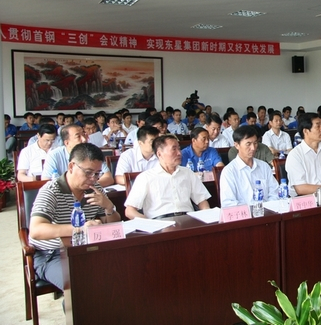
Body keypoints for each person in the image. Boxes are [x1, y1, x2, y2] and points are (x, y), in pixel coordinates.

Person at [29, 143, 121, 291]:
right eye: (88, 172)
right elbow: (36, 230)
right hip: (53, 254)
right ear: (71, 166)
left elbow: (111, 224)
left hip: (88, 249)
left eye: (97, 173)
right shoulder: (51, 190)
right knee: (80, 284)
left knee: (119, 272)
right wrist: (80, 228)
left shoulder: (95, 189)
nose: (93, 178)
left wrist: (109, 207)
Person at [124, 135, 211, 219]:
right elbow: (130, 211)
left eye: (179, 148)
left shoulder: (187, 173)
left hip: (188, 219)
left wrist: (207, 216)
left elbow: (202, 201)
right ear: (159, 154)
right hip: (159, 221)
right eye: (174, 149)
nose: (179, 153)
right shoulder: (145, 177)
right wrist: (149, 223)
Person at [220, 126, 279, 207]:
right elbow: (228, 203)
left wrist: (266, 208)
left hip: (267, 211)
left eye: (255, 143)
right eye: (248, 144)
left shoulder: (264, 166)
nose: (253, 148)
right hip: (244, 214)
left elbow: (275, 192)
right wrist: (252, 210)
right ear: (237, 145)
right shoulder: (229, 171)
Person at [285, 113, 321, 196]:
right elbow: (300, 189)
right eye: (318, 126)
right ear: (306, 131)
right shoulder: (295, 155)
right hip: (305, 200)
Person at [42, 124, 115, 187]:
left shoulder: (92, 152)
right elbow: (46, 182)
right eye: (78, 136)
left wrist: (88, 187)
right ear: (67, 142)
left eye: (84, 135)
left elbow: (108, 178)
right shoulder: (54, 155)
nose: (84, 139)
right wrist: (76, 188)